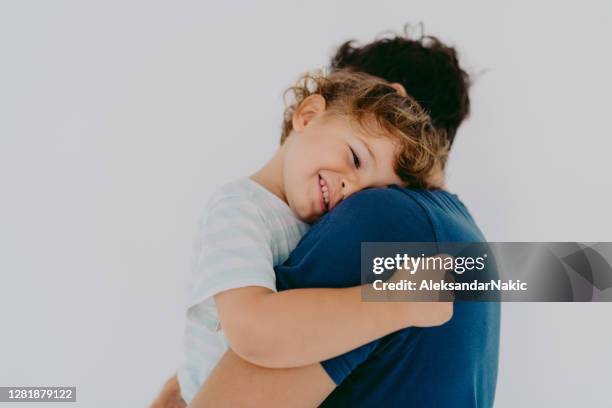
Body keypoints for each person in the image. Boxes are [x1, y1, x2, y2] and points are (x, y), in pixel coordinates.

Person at [152, 28, 500, 408]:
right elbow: (252, 329)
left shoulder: (383, 218)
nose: (352, 191)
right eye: (354, 157)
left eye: (371, 187)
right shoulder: (241, 209)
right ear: (310, 113)